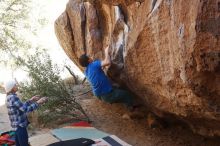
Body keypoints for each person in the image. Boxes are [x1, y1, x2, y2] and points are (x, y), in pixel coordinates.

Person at [79, 46, 135, 111]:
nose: (90, 57)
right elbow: (108, 62)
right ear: (89, 60)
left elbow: (96, 75)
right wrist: (106, 52)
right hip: (107, 95)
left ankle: (122, 100)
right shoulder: (94, 64)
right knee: (126, 94)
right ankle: (131, 110)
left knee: (118, 87)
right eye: (89, 57)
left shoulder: (86, 72)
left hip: (99, 95)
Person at [4, 79, 47, 146]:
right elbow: (25, 109)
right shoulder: (13, 98)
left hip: (16, 127)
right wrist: (38, 103)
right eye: (15, 85)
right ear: (11, 88)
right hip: (20, 127)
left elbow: (21, 107)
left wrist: (31, 100)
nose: (17, 86)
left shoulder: (9, 97)